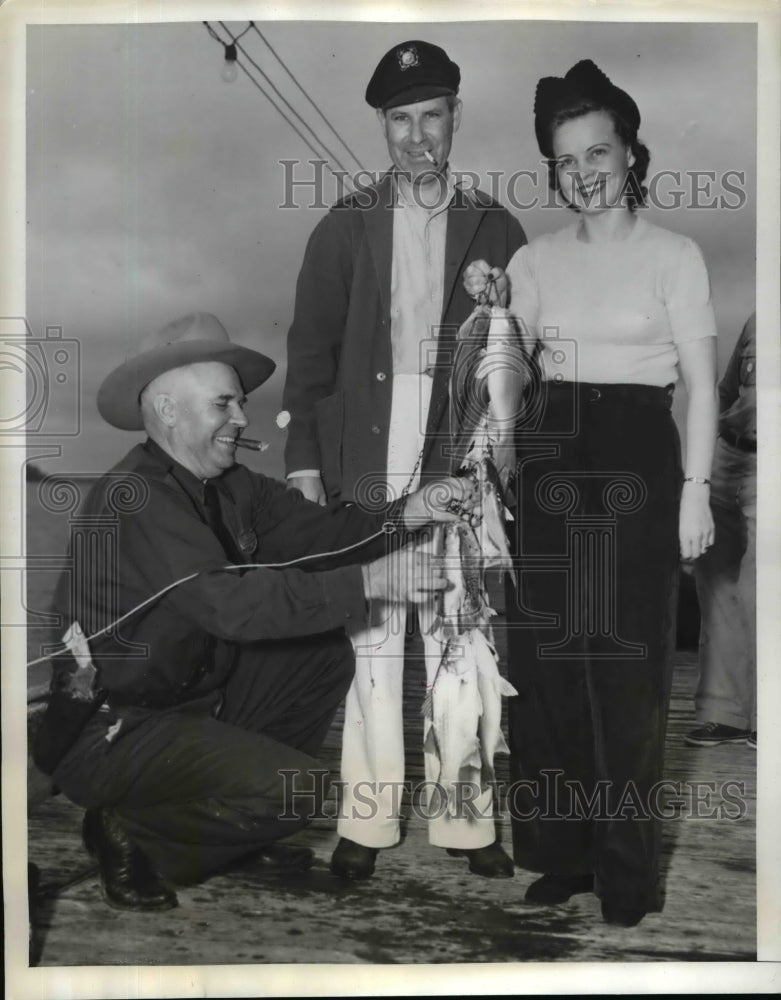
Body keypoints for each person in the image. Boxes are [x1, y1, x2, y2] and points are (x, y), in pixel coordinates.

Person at [32, 312, 479, 912]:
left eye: (240, 403)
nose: (243, 418)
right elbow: (233, 607)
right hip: (112, 732)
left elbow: (324, 534)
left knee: (320, 655)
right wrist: (369, 582)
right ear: (167, 410)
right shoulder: (135, 497)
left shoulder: (235, 487)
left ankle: (228, 823)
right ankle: (129, 830)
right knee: (301, 791)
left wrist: (412, 511)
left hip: (191, 707)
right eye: (224, 403)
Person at [464, 59, 718, 927]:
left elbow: (701, 386)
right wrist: (496, 313)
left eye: (597, 152)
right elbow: (507, 377)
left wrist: (695, 492)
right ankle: (560, 855)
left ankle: (626, 875)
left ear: (630, 153)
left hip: (638, 458)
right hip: (548, 455)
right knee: (548, 670)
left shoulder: (674, 256)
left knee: (627, 674)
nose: (582, 173)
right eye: (565, 160)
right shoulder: (532, 260)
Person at [282, 39, 526, 880]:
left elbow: (516, 358)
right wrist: (303, 463)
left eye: (431, 115)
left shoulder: (497, 225)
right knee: (374, 637)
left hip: (460, 449)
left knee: (462, 634)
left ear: (455, 116)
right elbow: (309, 356)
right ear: (382, 128)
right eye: (399, 120)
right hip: (366, 447)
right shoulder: (342, 226)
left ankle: (467, 823)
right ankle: (367, 820)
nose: (417, 136)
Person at [686, 312, 757, 748]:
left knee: (763, 589)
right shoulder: (759, 318)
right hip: (729, 456)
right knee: (716, 583)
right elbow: (728, 390)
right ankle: (725, 714)